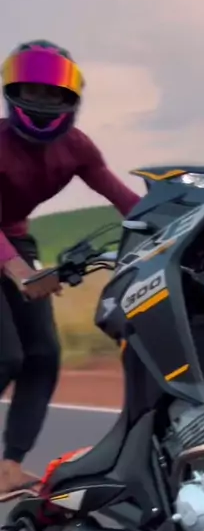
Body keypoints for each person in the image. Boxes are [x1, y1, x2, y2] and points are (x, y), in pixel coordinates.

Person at [0, 39, 142, 498]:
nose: (42, 102)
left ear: (70, 97)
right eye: (32, 91)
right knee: (6, 356)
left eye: (52, 92)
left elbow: (126, 201)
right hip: (6, 249)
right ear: (12, 92)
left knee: (43, 355)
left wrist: (181, 226)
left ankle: (7, 469)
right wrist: (18, 271)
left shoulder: (77, 147)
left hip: (15, 238)